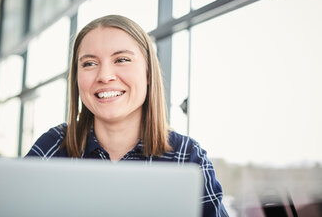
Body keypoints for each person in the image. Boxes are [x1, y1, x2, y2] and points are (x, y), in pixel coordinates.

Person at [26, 15, 228, 216]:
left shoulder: (186, 157)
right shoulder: (54, 147)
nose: (105, 76)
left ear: (148, 73)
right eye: (89, 63)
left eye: (122, 60)